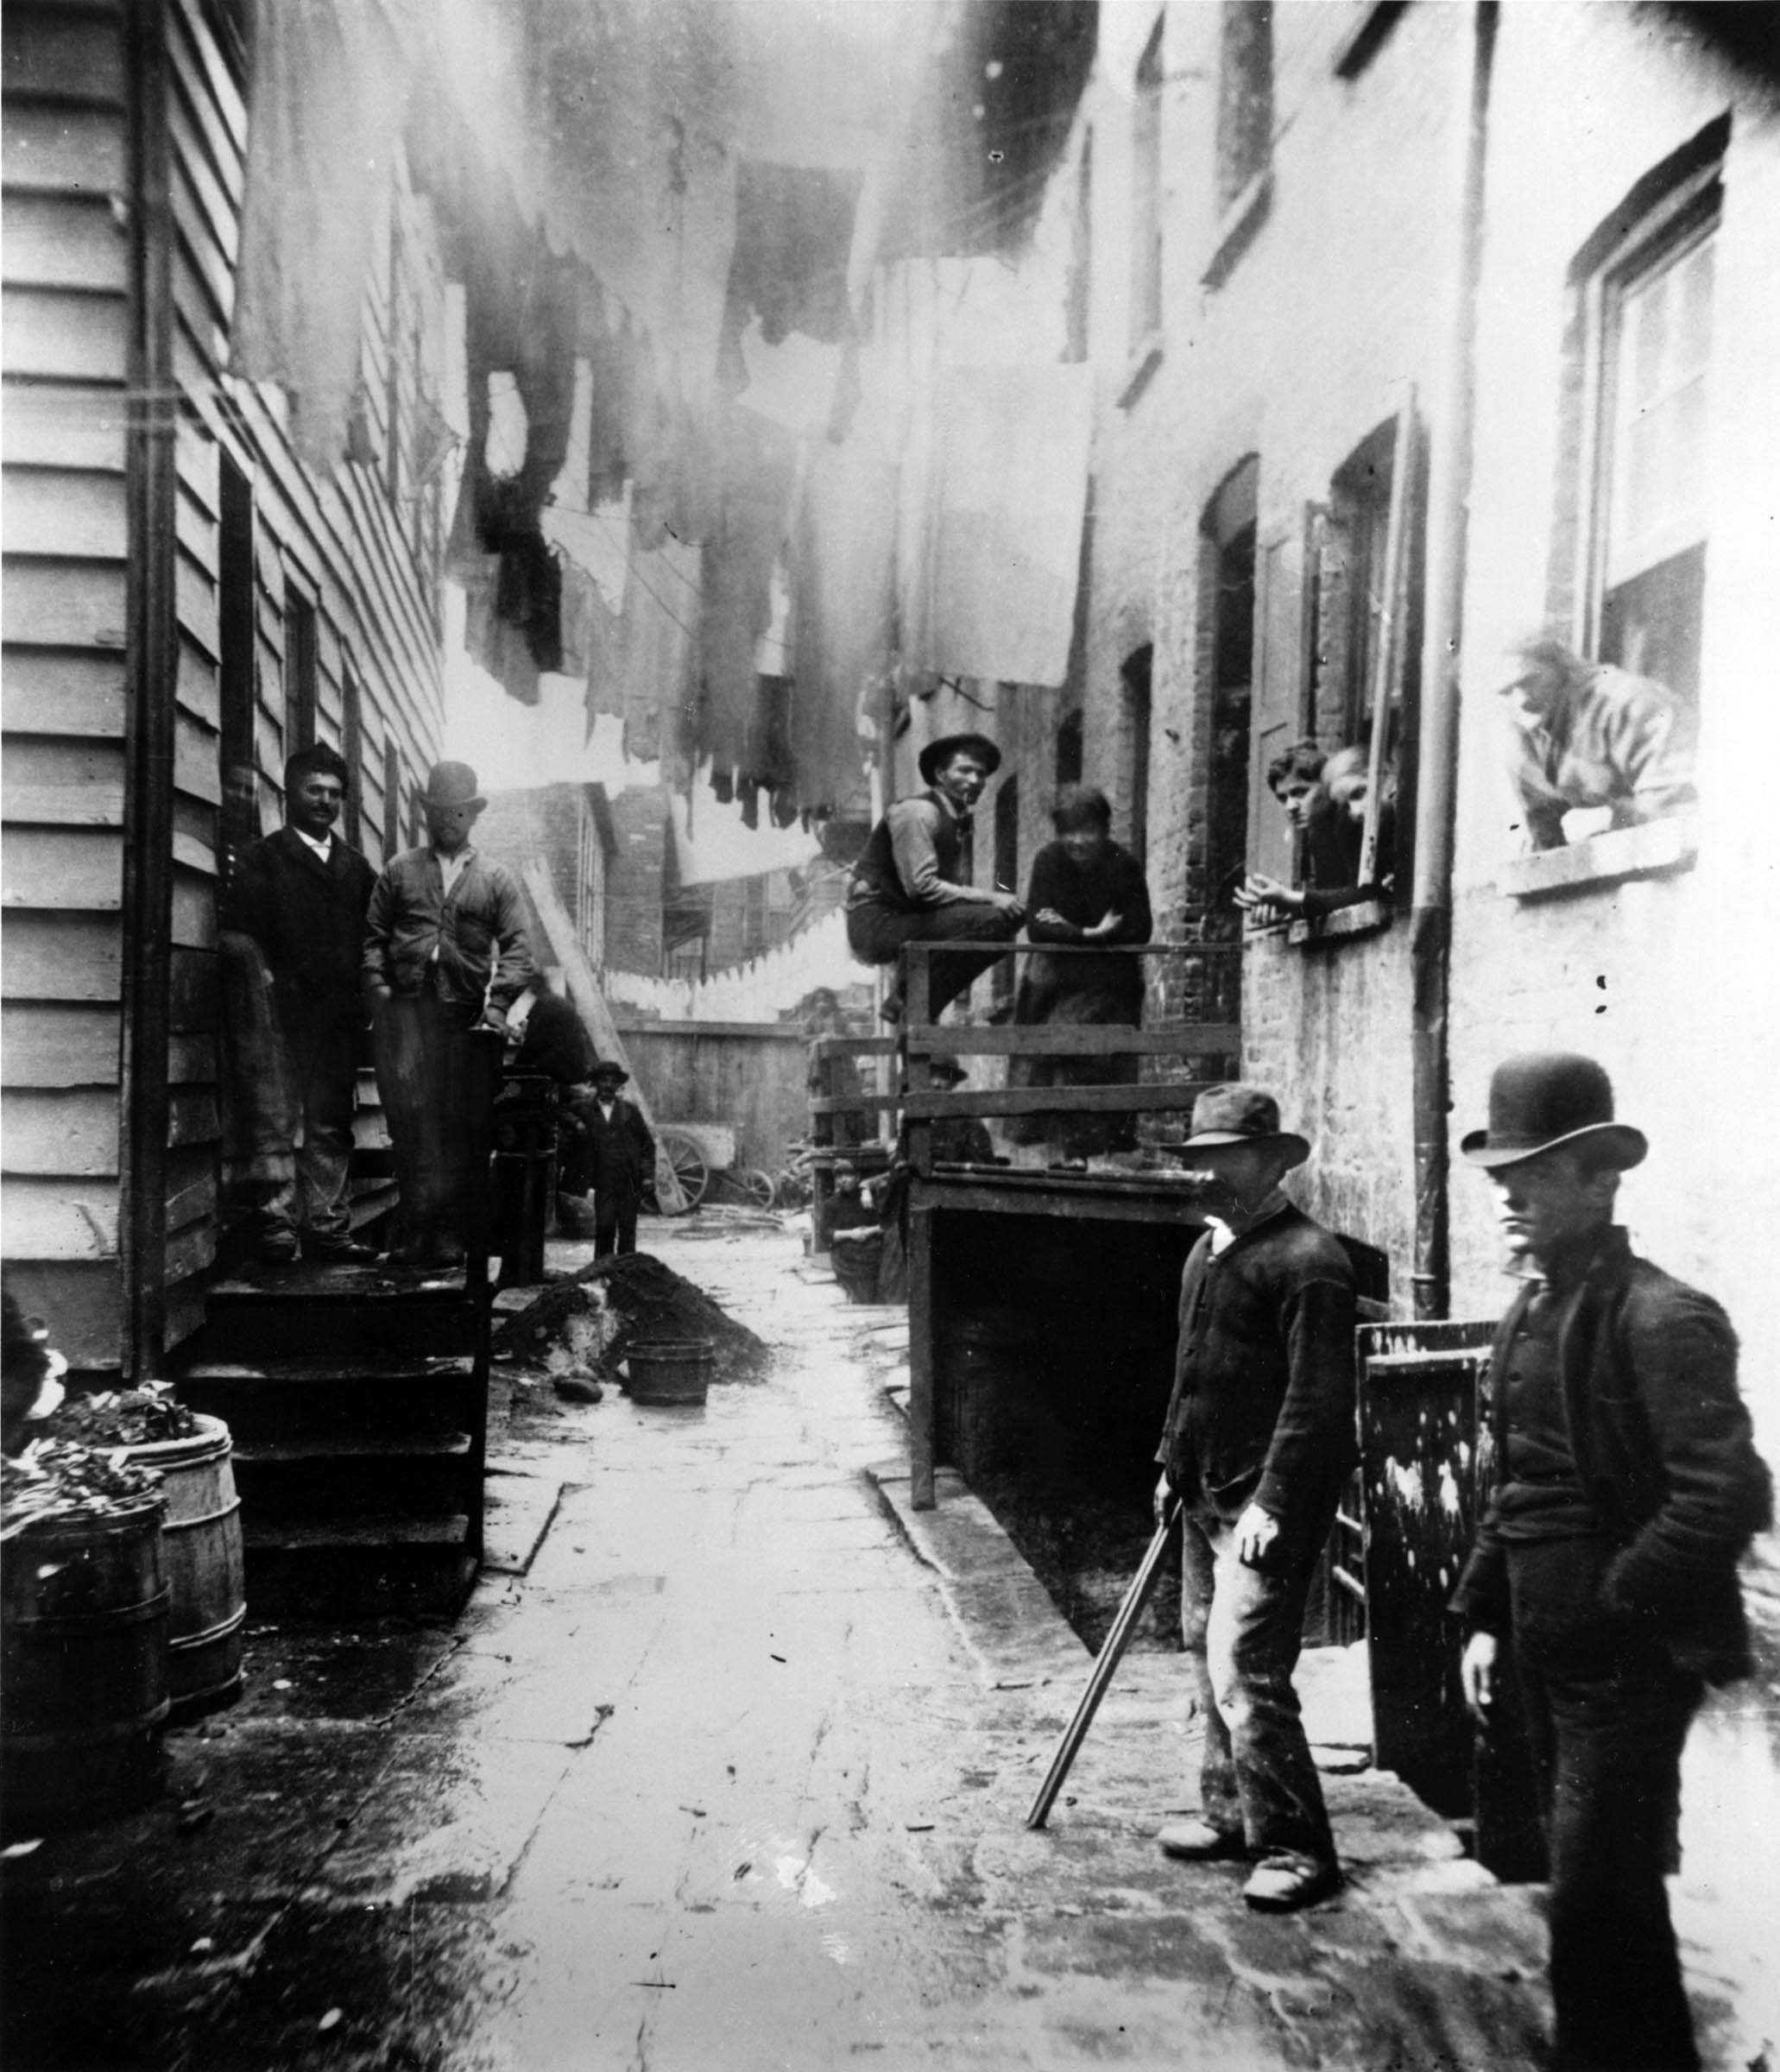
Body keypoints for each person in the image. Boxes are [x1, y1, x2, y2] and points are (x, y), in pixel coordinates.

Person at [1451, 1053, 1770, 2072]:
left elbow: (1725, 1498)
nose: (1510, 1200)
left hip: (1629, 1667)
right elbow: (1520, 1483)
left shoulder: (1662, 1317)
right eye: (1502, 1181)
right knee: (1586, 1898)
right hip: (1550, 1654)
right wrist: (1487, 1614)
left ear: (1600, 1181)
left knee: (1598, 1896)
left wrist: (1609, 1604)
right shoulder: (1530, 1312)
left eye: (1533, 1178)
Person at [1151, 1084, 1357, 1912]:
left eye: (1221, 1161)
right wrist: (1171, 1461)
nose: (1204, 1176)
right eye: (1197, 1161)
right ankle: (1230, 1814)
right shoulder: (1208, 1254)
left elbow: (1317, 1404)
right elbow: (1189, 1372)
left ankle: (1297, 1847)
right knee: (1205, 1646)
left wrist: (1274, 1502)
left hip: (1267, 1503)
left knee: (1248, 1668)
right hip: (1206, 1487)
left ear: (1270, 1164)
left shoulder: (1311, 1262)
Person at [363, 761, 533, 1267]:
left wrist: (498, 1007)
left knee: (462, 1130)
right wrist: (379, 988)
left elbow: (520, 949)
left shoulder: (496, 880)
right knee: (412, 1126)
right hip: (408, 1019)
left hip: (465, 1022)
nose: (447, 821)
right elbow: (372, 938)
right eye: (438, 811)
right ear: (427, 813)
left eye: (458, 812)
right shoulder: (399, 870)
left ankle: (454, 1239)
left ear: (473, 814)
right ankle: (417, 1236)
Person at [222, 743, 380, 1265]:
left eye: (335, 794)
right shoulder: (261, 860)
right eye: (315, 790)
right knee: (275, 1120)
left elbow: (372, 943)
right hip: (280, 1019)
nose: (325, 801)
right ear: (291, 792)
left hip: (336, 1021)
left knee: (330, 1123)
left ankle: (329, 1228)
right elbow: (244, 939)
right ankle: (276, 1226)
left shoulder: (358, 871)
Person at [1013, 785, 1152, 1158]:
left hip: (1107, 986)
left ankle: (1089, 1155)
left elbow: (1140, 927)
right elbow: (1037, 928)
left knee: (1091, 1060)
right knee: (1049, 1059)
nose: (1078, 840)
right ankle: (1062, 1157)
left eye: (1087, 829)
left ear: (1104, 829)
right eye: (1068, 831)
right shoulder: (1048, 860)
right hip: (1054, 983)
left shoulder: (1124, 863)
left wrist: (1067, 929)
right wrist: (1092, 933)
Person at [845, 731, 1025, 1023]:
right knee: (995, 919)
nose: (975, 780)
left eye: (981, 773)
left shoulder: (957, 821)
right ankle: (908, 999)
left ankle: (911, 1009)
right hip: (875, 924)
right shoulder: (919, 812)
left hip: (906, 919)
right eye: (964, 770)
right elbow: (922, 888)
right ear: (940, 774)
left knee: (1012, 916)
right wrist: (992, 897)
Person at [1497, 634, 1695, 850]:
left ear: (1562, 669)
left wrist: (1608, 819)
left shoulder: (1626, 704)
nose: (1522, 700)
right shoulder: (1522, 737)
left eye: (1531, 681)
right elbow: (1544, 838)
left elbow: (1678, 809)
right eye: (1506, 692)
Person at [1236, 742, 1391, 925]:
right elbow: (1335, 900)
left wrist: (1292, 899)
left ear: (1326, 786)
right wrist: (1288, 909)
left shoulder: (1352, 820)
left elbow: (1369, 894)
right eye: (1283, 798)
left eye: (1300, 792)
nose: (1290, 807)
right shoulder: (1318, 832)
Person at [571, 1059, 655, 1259]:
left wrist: (647, 1176)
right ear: (596, 1083)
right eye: (603, 1080)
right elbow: (557, 1110)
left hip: (629, 1179)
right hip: (603, 1180)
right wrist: (575, 1123)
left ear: (619, 1085)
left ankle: (626, 1278)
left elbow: (647, 1144)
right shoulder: (583, 1109)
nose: (608, 1085)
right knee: (605, 1226)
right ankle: (602, 1275)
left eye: (612, 1081)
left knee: (627, 1230)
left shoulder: (630, 1111)